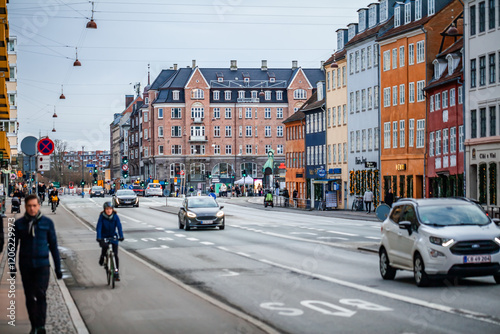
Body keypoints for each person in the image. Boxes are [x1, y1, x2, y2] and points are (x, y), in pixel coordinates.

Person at [12, 194, 62, 334]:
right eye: (29, 206)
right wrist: (11, 265)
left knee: (40, 294)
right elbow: (12, 247)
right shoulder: (19, 224)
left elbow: (53, 246)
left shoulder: (47, 223)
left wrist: (58, 268)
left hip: (42, 265)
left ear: (39, 206)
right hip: (26, 265)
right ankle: (34, 324)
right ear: (25, 207)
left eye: (34, 205)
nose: (32, 209)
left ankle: (41, 326)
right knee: (29, 296)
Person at [96, 202, 124, 281]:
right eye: (107, 209)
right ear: (104, 210)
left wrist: (121, 236)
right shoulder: (102, 217)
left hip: (113, 236)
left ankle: (116, 272)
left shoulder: (115, 217)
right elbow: (99, 227)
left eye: (110, 209)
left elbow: (119, 226)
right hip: (104, 236)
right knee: (104, 247)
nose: (109, 211)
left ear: (112, 209)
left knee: (115, 254)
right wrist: (99, 237)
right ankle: (102, 257)